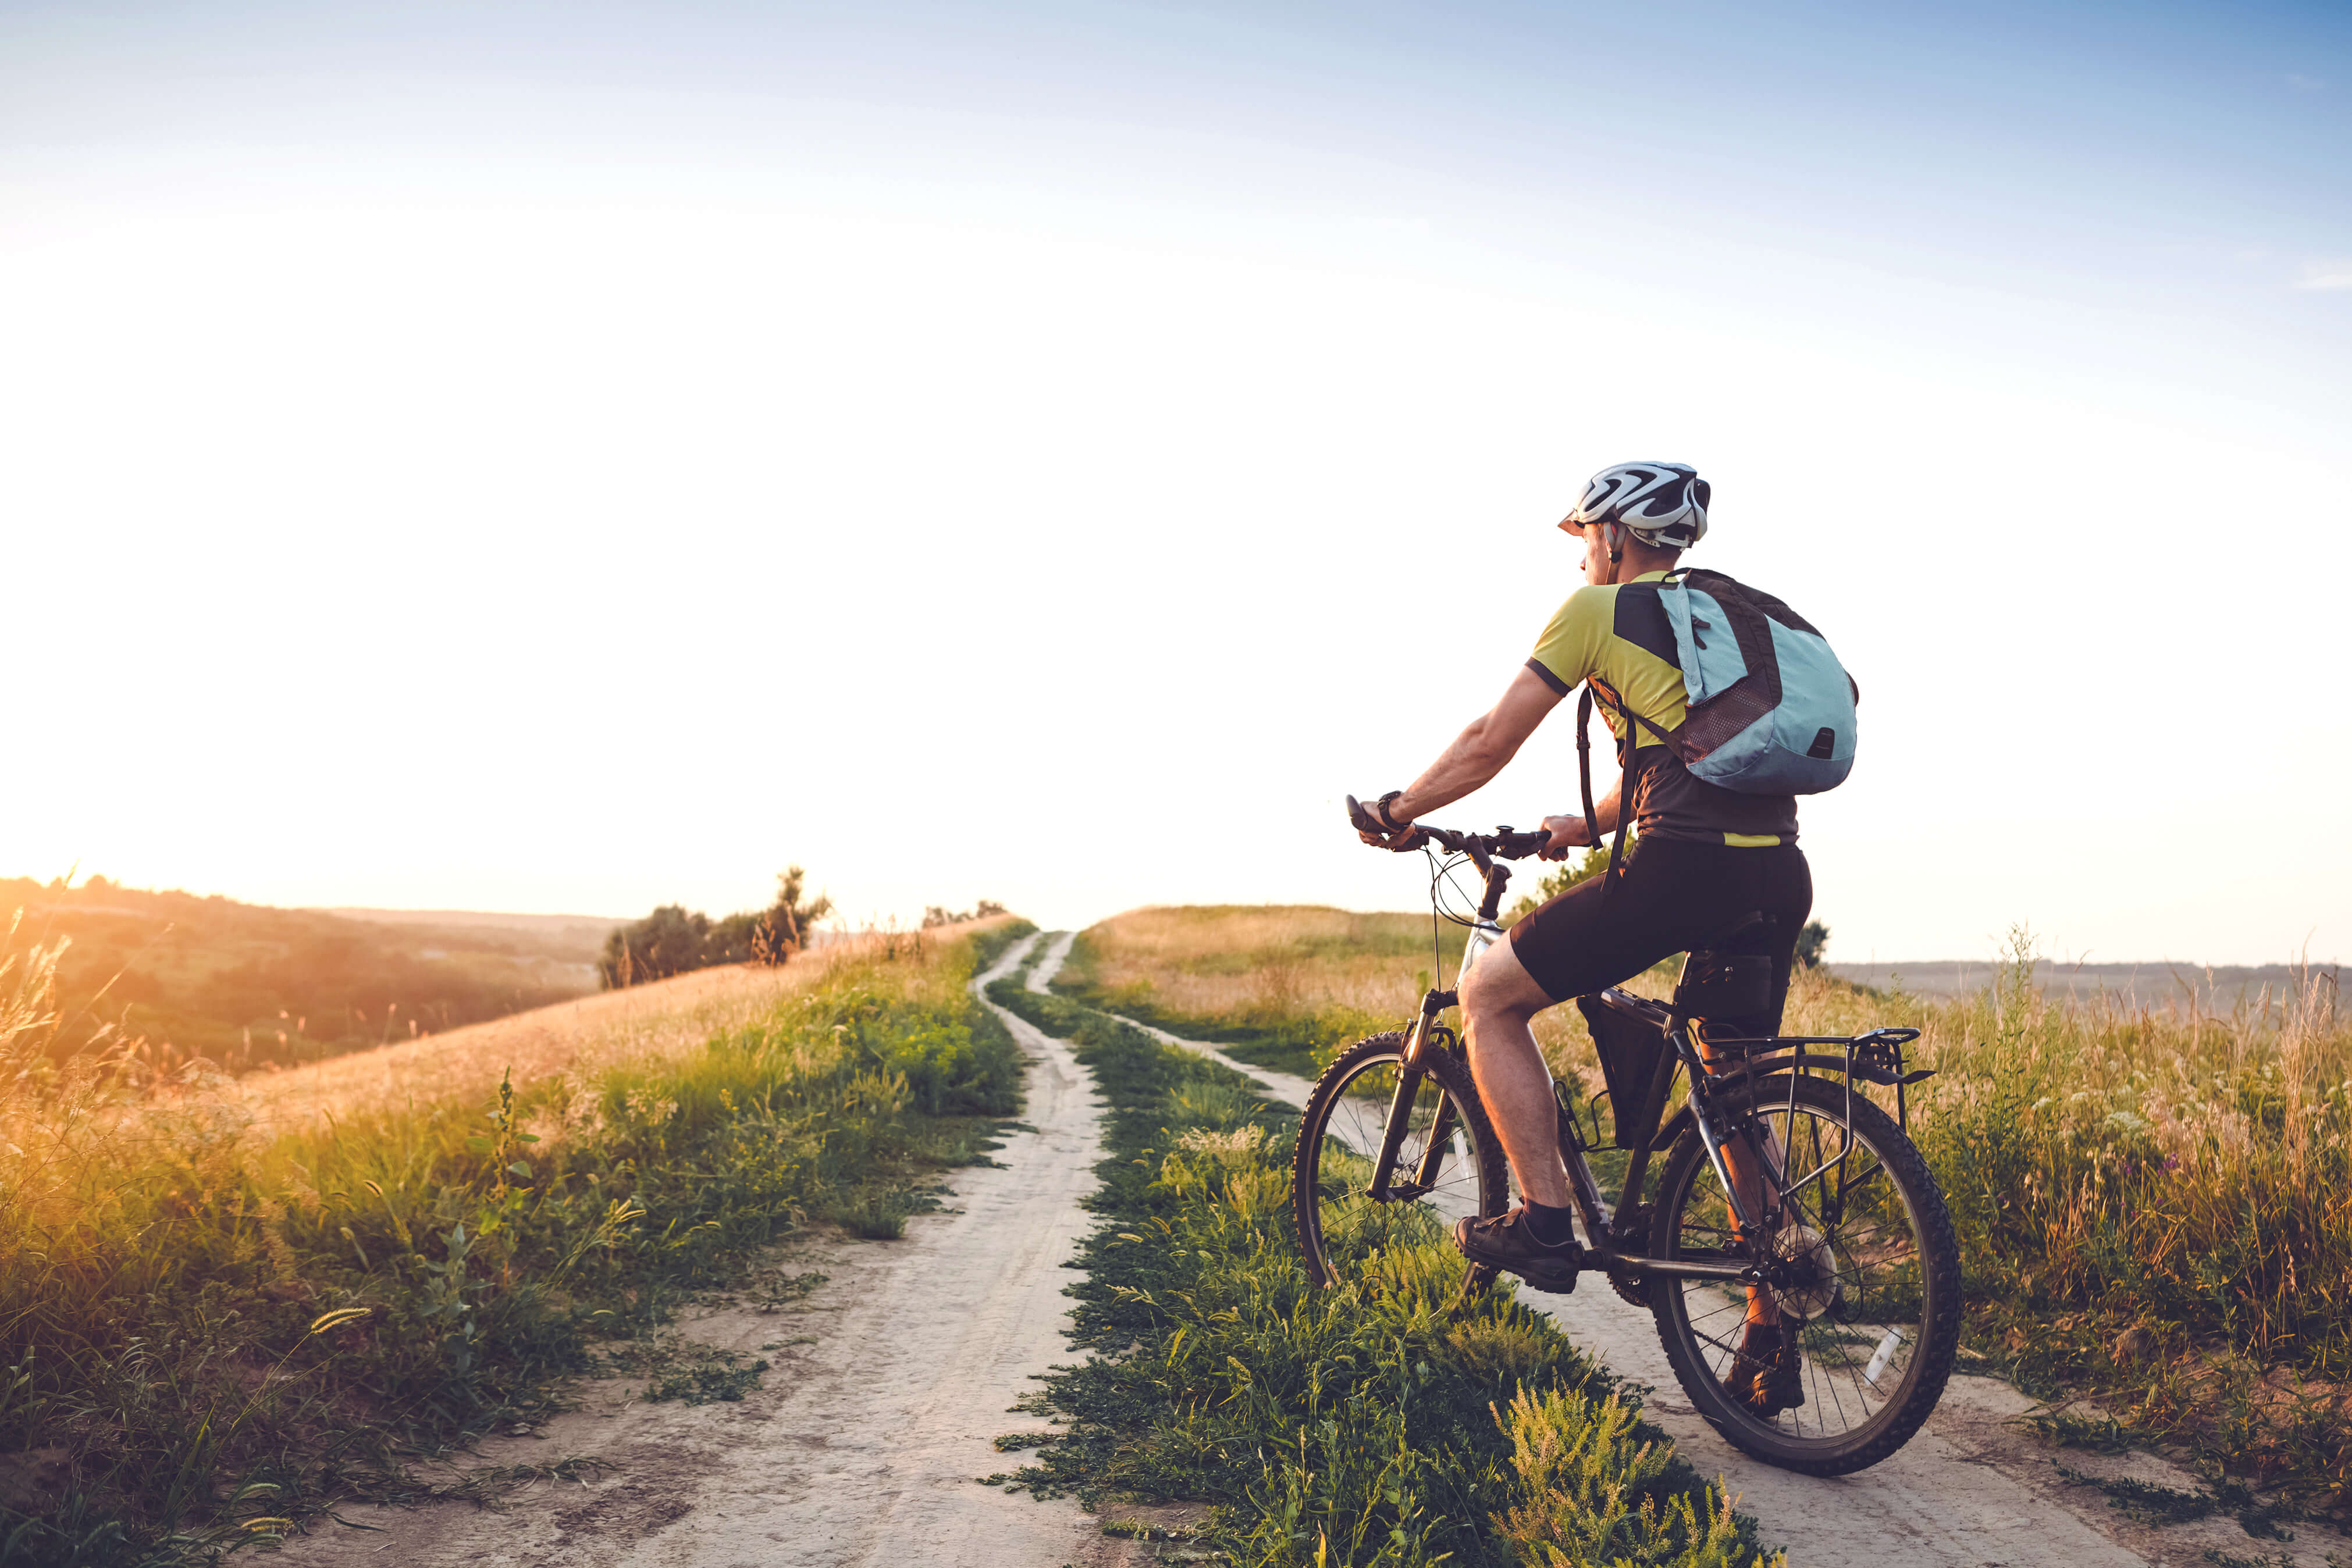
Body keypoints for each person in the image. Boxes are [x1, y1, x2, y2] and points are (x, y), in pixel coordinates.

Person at [1354, 461, 1814, 1416]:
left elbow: (1491, 739)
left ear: (1614, 538)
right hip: (1776, 873)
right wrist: (1589, 824)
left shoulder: (1598, 617)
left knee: (1487, 995)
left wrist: (1403, 808)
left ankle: (1546, 1224)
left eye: (1585, 543)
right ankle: (1772, 1325)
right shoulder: (1739, 619)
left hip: (1681, 867)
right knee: (1729, 1080)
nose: (1581, 562)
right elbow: (1701, 754)